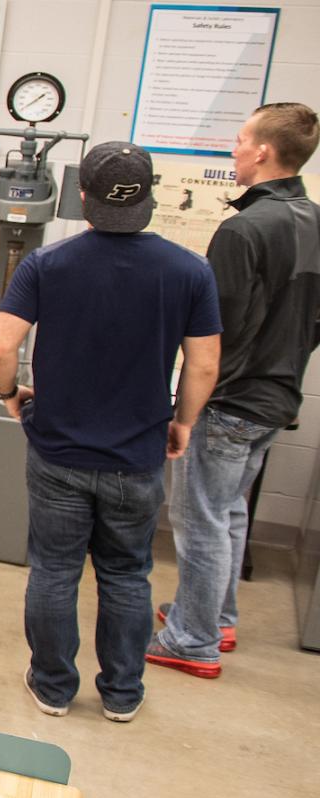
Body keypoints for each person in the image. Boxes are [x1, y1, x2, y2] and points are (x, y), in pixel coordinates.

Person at [0, 142, 221, 722]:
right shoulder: (190, 270)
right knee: (127, 575)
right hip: (137, 457)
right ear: (148, 195)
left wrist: (11, 396)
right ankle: (121, 693)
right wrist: (183, 422)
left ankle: (53, 687)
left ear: (83, 194)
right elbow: (205, 364)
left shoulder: (47, 265)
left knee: (55, 571)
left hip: (58, 452)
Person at [152, 102, 320, 679]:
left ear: (264, 152)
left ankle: (192, 640)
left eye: (241, 139)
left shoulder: (243, 228)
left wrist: (189, 406)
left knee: (199, 519)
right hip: (277, 398)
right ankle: (216, 616)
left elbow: (214, 334)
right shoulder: (314, 219)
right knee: (229, 512)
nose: (234, 149)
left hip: (230, 402)